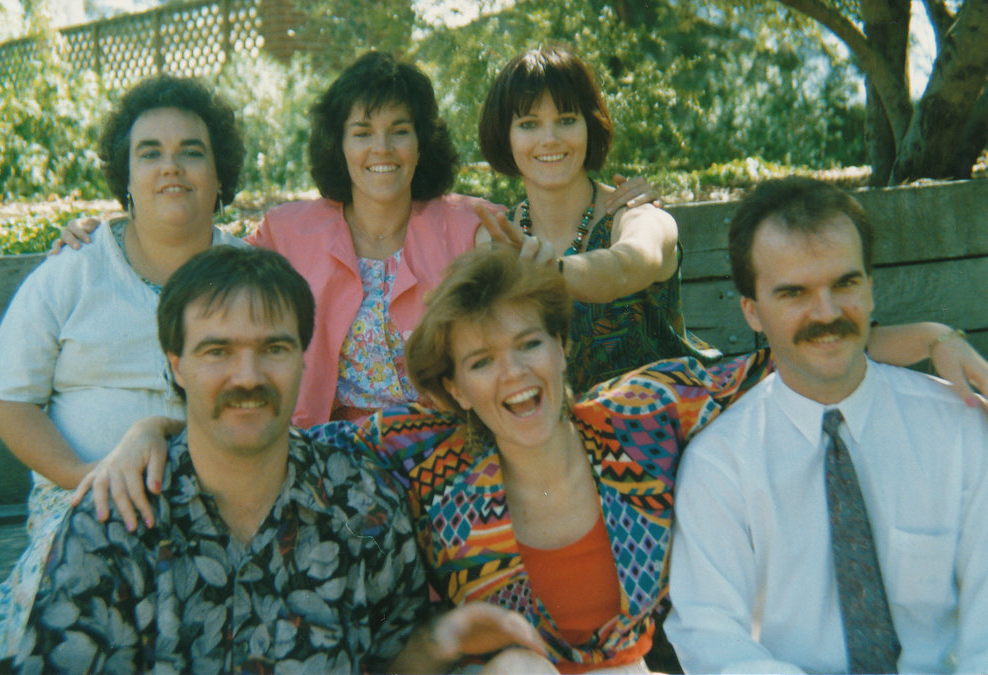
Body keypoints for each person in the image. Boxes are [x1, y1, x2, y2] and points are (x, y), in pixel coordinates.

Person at [80, 244, 987, 673]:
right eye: (481, 361)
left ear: (560, 347)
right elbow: (265, 426)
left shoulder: (638, 416)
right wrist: (151, 430)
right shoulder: (422, 451)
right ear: (454, 386)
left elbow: (787, 356)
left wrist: (933, 338)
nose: (513, 374)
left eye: (528, 344)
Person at [15, 246, 552, 674]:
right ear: (176, 366)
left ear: (301, 358)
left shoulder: (362, 505)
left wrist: (442, 641)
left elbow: (392, 660)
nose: (248, 376)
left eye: (273, 348)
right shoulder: (114, 523)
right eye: (218, 351)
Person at [57, 51, 657, 428]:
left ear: (421, 143)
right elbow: (201, 252)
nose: (381, 149)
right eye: (362, 131)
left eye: (400, 131)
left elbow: (533, 270)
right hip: (325, 451)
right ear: (338, 144)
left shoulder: (465, 223)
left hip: (445, 446)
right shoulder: (288, 232)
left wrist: (609, 203)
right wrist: (113, 228)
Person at [663, 177, 988, 673]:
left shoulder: (959, 429)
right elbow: (711, 635)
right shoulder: (720, 464)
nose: (827, 312)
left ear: (871, 289)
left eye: (845, 284)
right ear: (752, 311)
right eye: (794, 292)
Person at [0, 75, 247, 662]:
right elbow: (9, 399)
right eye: (149, 153)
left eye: (191, 151)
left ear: (219, 176)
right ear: (125, 177)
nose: (170, 166)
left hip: (219, 498)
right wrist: (86, 475)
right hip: (82, 498)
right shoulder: (74, 270)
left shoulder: (250, 277)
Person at [477, 44, 719, 394]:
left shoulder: (637, 216)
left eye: (567, 120)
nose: (549, 139)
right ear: (505, 135)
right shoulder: (493, 241)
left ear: (590, 125)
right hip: (554, 423)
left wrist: (552, 270)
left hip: (665, 414)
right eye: (529, 124)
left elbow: (622, 269)